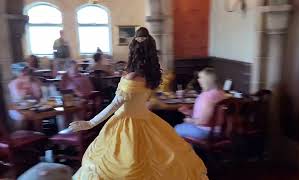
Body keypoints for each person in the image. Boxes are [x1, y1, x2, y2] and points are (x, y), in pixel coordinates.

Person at [68, 27, 208, 180]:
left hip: (126, 124)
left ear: (133, 51)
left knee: (125, 165)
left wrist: (90, 123)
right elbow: (145, 99)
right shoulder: (151, 75)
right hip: (146, 121)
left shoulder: (132, 76)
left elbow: (115, 104)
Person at [175, 68, 226, 140]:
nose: (198, 80)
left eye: (201, 78)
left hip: (204, 132)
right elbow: (209, 114)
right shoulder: (221, 93)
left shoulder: (206, 96)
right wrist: (189, 112)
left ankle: (186, 150)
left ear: (207, 80)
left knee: (175, 128)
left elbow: (203, 121)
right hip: (219, 131)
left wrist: (190, 120)